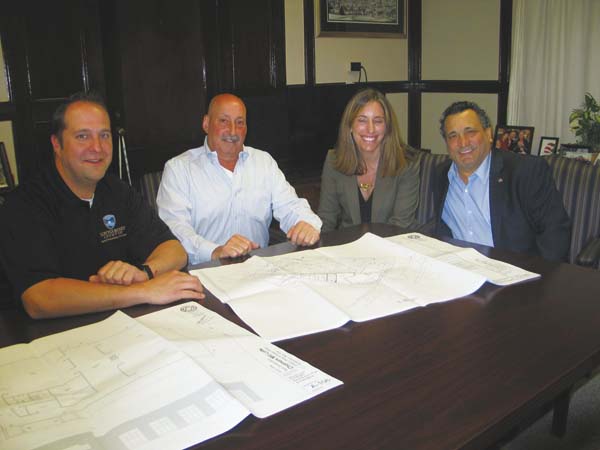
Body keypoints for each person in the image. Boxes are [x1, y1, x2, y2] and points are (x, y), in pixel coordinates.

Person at [0, 93, 204, 319]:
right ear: (57, 144)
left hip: (122, 323)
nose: (97, 147)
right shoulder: (25, 205)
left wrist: (144, 273)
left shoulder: (117, 191)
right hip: (52, 333)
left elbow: (174, 250)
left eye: (104, 135)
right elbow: (39, 299)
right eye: (82, 136)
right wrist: (143, 291)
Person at [156, 93, 322, 264]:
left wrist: (306, 224)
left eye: (240, 122)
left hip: (259, 268)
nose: (233, 131)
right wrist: (215, 251)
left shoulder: (263, 162)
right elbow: (175, 230)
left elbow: (290, 205)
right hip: (203, 270)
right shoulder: (179, 169)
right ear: (206, 123)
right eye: (224, 121)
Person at [433, 100, 571, 261]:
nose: (463, 142)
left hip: (516, 269)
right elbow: (443, 229)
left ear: (488, 134)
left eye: (470, 132)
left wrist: (536, 274)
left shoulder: (525, 171)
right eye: (453, 136)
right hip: (460, 268)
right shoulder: (442, 175)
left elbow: (556, 233)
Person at [318, 88, 420, 232]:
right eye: (362, 120)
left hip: (391, 242)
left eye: (378, 121)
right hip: (348, 243)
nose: (370, 129)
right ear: (350, 126)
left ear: (387, 127)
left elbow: (399, 225)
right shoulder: (334, 161)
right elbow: (326, 219)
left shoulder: (406, 164)